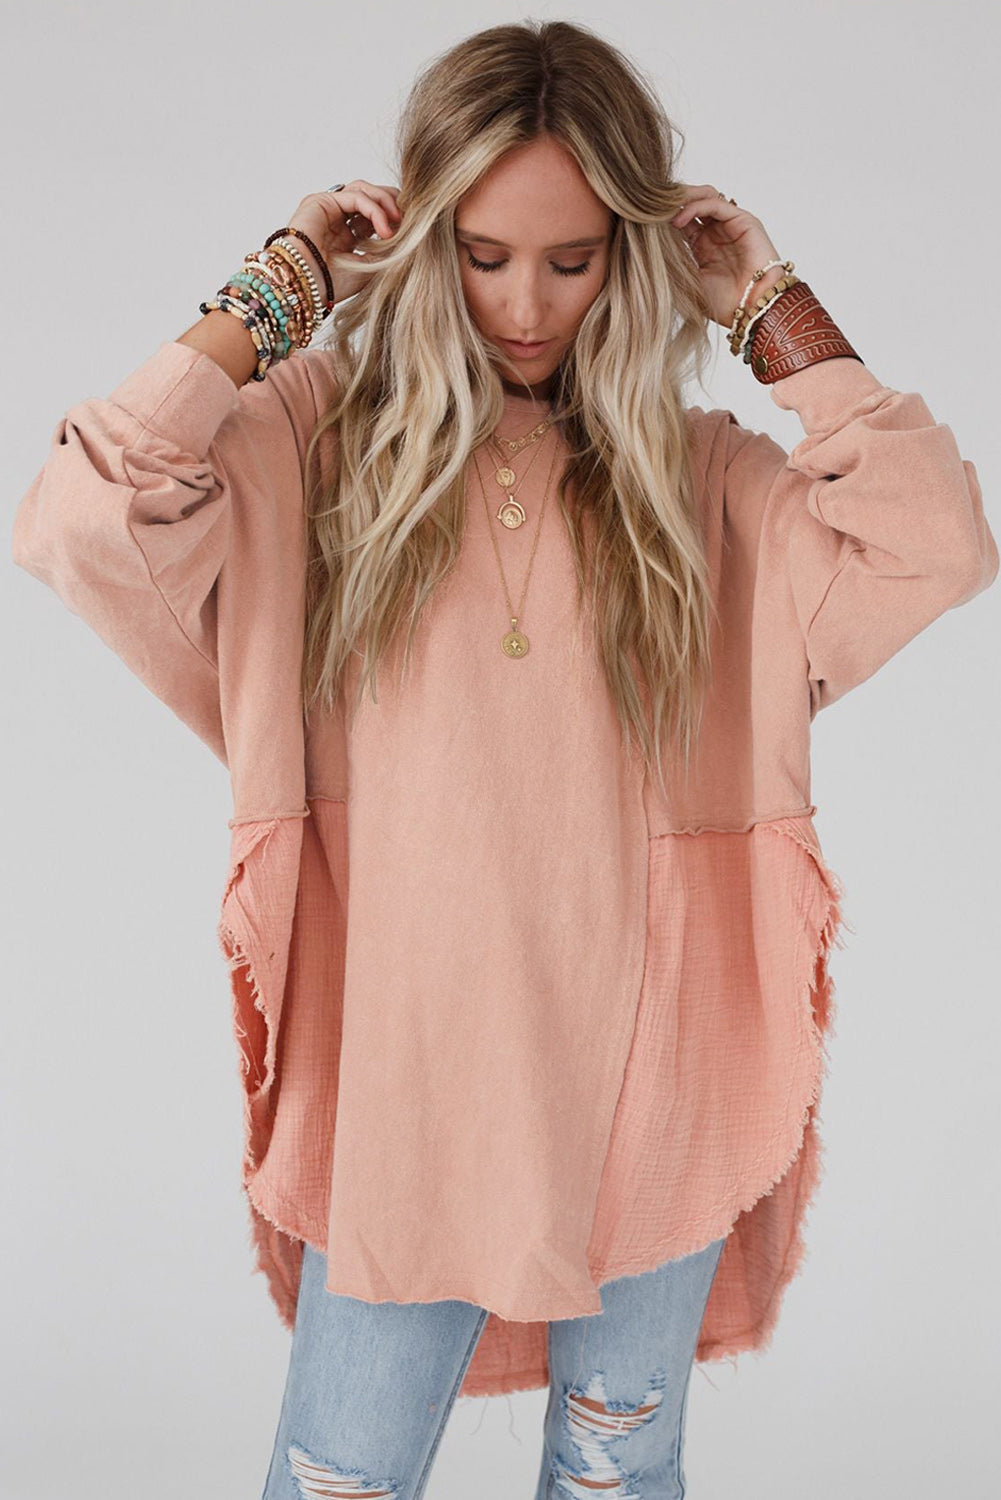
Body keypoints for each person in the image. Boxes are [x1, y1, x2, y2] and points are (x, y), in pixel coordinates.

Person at [11, 18, 997, 1500]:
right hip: (409, 1090)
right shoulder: (317, 450)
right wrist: (277, 289)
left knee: (617, 1479)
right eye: (481, 255)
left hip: (660, 1084)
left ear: (630, 258)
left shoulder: (700, 483)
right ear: (424, 244)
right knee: (339, 1476)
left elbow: (935, 545)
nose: (525, 305)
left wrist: (773, 313)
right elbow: (86, 515)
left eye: (571, 259)